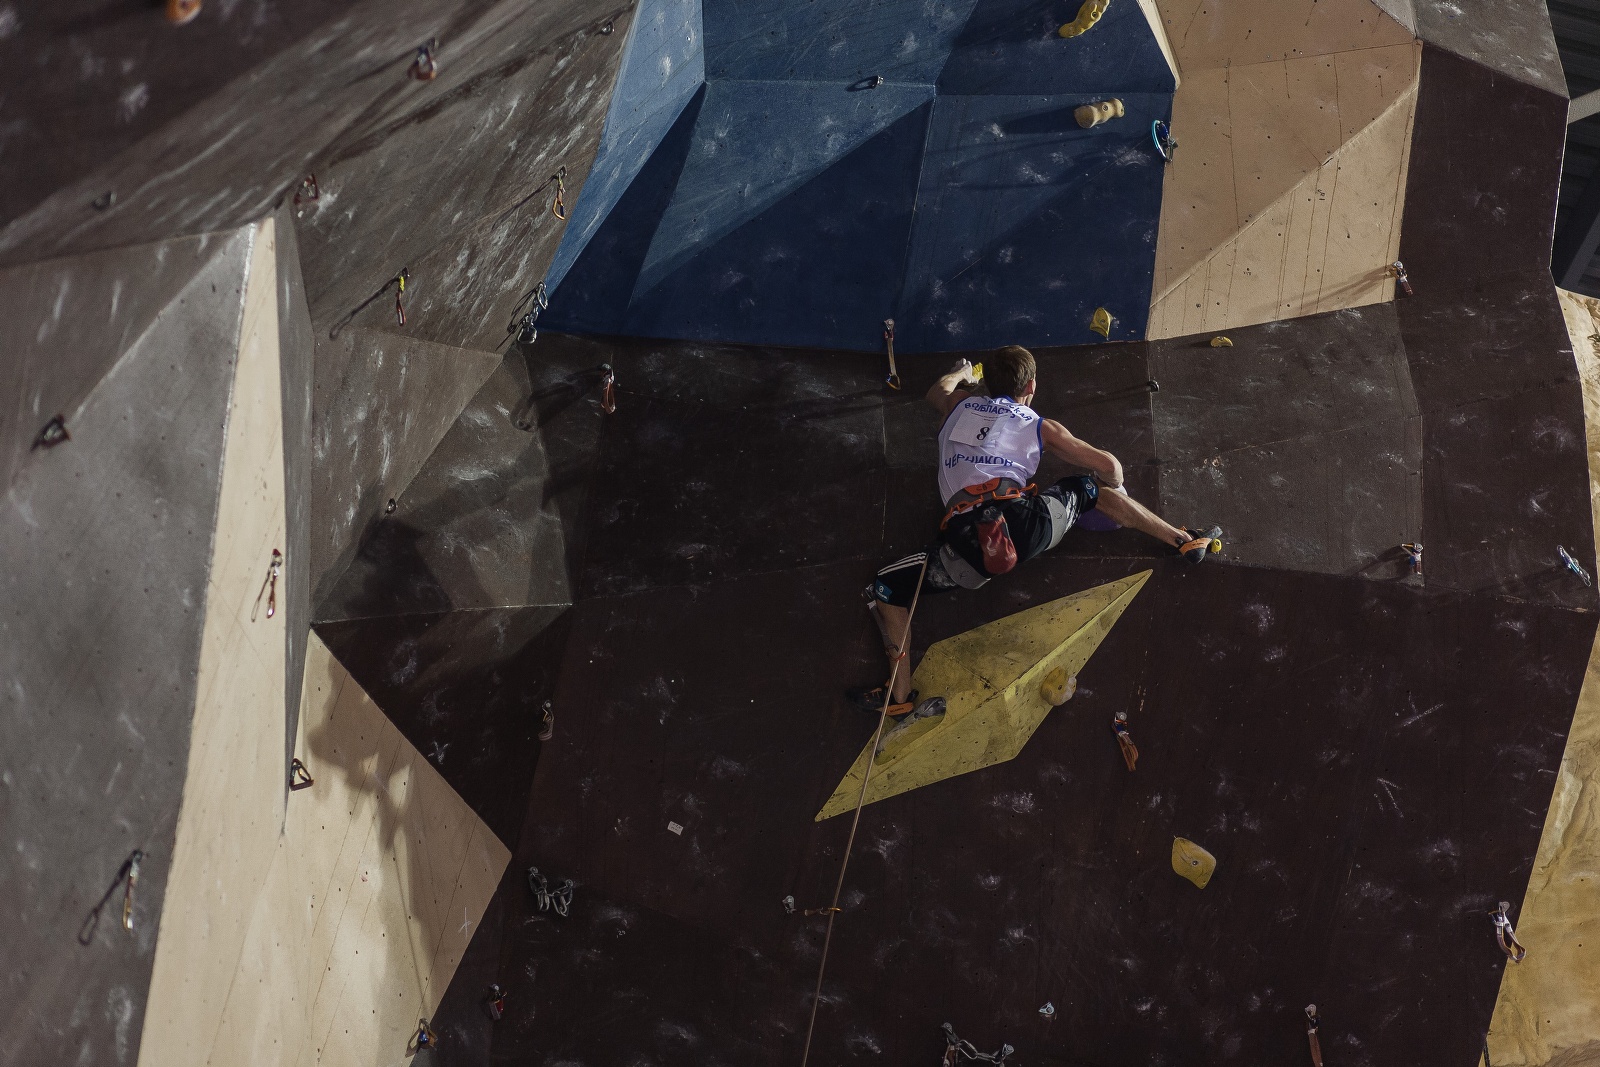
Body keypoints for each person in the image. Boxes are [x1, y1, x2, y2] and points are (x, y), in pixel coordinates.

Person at [853, 345, 1221, 717]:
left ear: (988, 383)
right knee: (1087, 487)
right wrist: (1113, 488)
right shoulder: (1039, 424)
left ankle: (899, 698)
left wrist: (963, 374)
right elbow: (1109, 465)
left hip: (967, 540)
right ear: (1031, 386)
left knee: (888, 586)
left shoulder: (960, 405)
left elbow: (938, 390)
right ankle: (1182, 540)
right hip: (1026, 524)